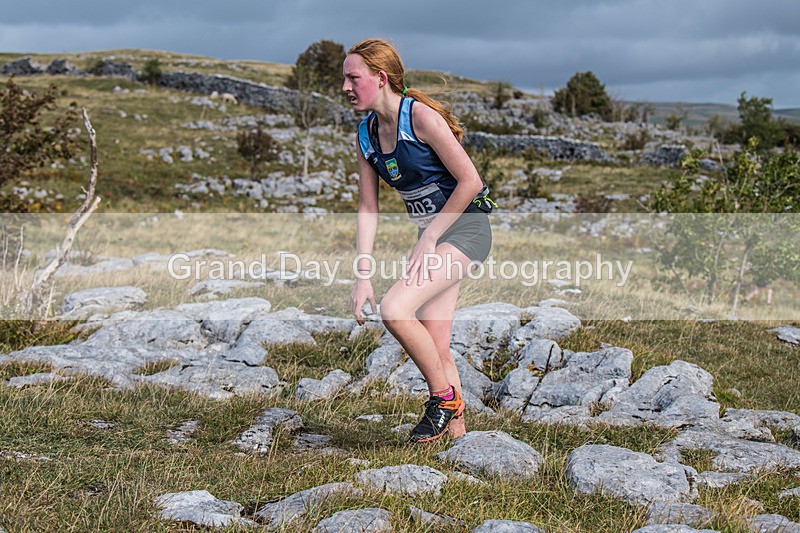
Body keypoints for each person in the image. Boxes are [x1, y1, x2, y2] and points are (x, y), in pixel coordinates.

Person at [344, 38, 495, 443]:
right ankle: (457, 437)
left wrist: (428, 237)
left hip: (465, 230)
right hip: (434, 239)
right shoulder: (366, 135)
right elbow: (367, 208)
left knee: (395, 309)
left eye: (352, 77)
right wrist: (362, 276)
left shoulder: (422, 118)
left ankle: (443, 401)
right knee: (436, 344)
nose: (345, 86)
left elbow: (471, 181)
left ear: (380, 78)